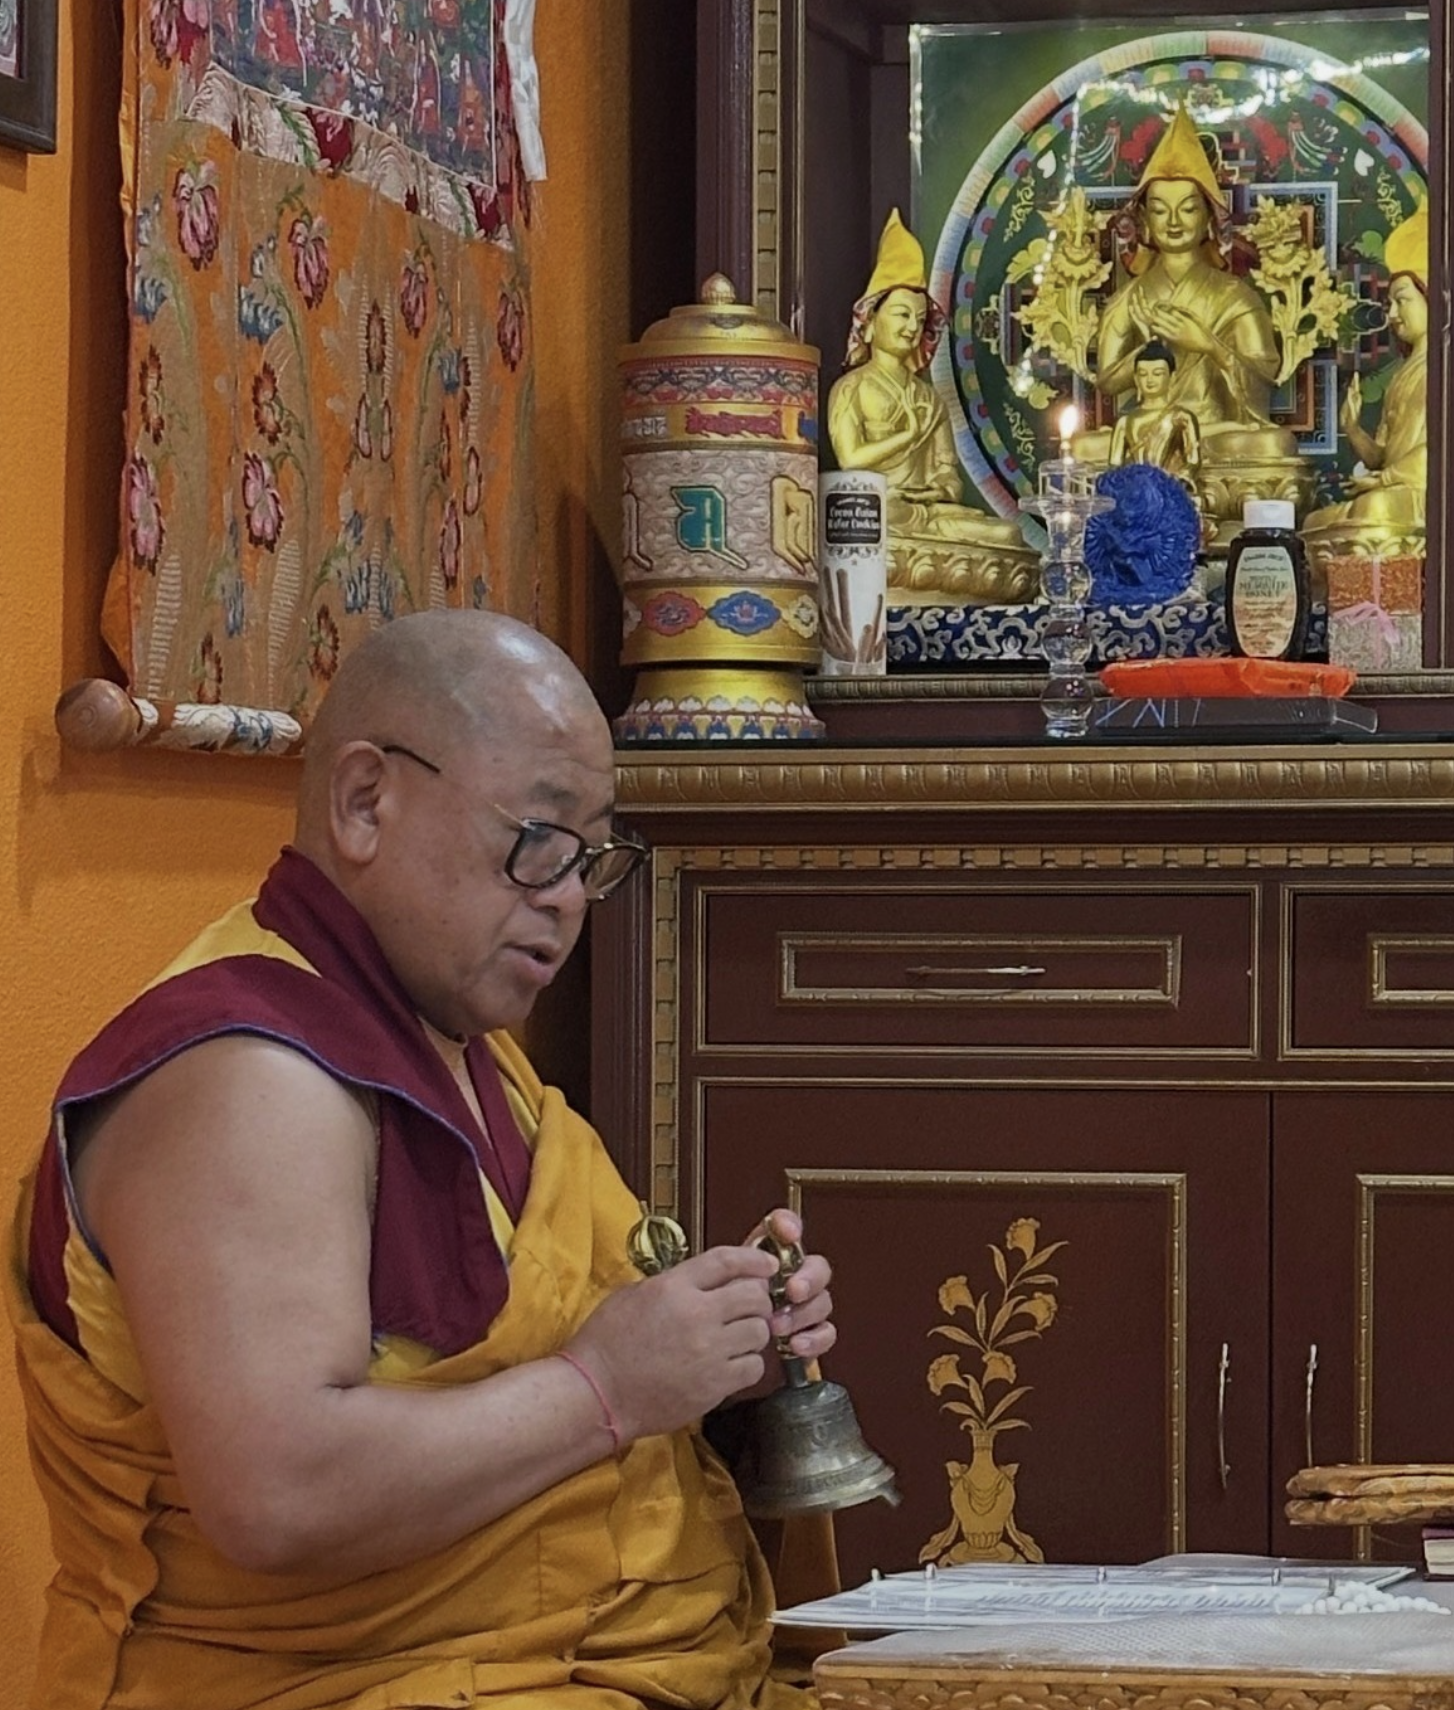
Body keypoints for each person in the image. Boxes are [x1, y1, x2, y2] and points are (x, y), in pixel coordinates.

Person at [6, 610, 836, 1710]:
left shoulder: (460, 1048)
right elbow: (278, 1494)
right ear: (365, 801)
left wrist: (714, 1346)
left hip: (599, 1664)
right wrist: (607, 1387)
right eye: (538, 838)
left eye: (592, 856)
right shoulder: (250, 1079)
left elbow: (534, 1369)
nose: (567, 896)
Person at [827, 209, 1036, 604]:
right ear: (869, 323)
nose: (911, 327)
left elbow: (947, 473)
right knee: (869, 527)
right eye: (901, 314)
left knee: (1006, 535)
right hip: (880, 513)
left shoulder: (929, 397)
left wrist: (937, 489)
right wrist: (907, 435)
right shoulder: (851, 388)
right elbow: (851, 461)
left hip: (926, 516)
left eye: (920, 319)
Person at [1095, 108, 1293, 455]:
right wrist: (1151, 346)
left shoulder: (1236, 296)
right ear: (1144, 220)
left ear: (1209, 218)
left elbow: (1264, 378)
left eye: (1188, 208)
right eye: (1159, 210)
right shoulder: (1129, 298)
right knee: (1084, 448)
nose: (1173, 221)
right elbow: (1108, 381)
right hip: (1147, 428)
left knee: (1275, 444)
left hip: (1211, 430)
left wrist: (1208, 345)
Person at [1303, 202, 1428, 539]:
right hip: (1397, 487)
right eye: (1390, 303)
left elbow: (1440, 450)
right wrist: (1353, 428)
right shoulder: (1403, 375)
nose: (1392, 314)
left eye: (1403, 300)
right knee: (1316, 522)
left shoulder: (1443, 370)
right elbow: (1383, 457)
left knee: (1373, 510)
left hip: (1423, 495)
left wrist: (1384, 480)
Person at [1107, 340, 1202, 489]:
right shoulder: (1124, 421)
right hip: (1135, 489)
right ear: (1136, 379)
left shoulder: (1182, 417)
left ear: (1172, 377)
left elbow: (1193, 460)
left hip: (1168, 487)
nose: (1150, 380)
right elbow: (1114, 465)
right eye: (1143, 374)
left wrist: (1179, 480)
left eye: (1157, 373)